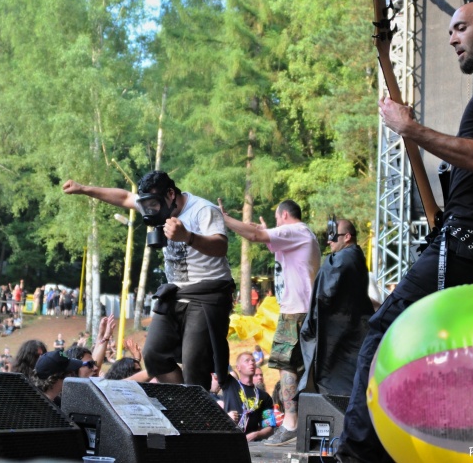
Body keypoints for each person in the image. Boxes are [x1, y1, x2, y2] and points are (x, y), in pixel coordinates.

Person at [336, 1, 473, 463]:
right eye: (450, 30)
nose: (452, 37)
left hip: (472, 243)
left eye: (460, 28)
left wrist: (412, 127)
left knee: (384, 332)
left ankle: (356, 456)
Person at [63, 171, 234, 390]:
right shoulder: (152, 202)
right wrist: (83, 189)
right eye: (147, 205)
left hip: (207, 293)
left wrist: (188, 237)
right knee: (153, 355)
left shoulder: (203, 210)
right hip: (176, 293)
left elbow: (221, 246)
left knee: (194, 363)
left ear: (170, 194)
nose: (151, 209)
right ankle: (187, 400)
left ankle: (195, 403)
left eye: (154, 204)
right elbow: (125, 197)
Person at [218, 199, 321, 446]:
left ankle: (291, 424)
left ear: (284, 215)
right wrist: (266, 234)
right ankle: (304, 423)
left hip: (295, 312)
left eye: (276, 220)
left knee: (286, 366)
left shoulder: (296, 230)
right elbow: (266, 239)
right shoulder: (301, 236)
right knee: (302, 370)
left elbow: (254, 235)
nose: (275, 226)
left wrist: (225, 219)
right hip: (302, 311)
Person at [299, 219, 371, 397]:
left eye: (333, 236)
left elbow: (325, 294)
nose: (329, 241)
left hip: (341, 338)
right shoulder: (354, 257)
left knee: (336, 386)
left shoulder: (344, 259)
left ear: (347, 237)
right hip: (347, 334)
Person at [220, 352, 275, 442]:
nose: (251, 363)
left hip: (251, 444)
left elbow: (269, 428)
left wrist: (256, 434)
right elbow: (219, 362)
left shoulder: (264, 396)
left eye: (253, 361)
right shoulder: (229, 384)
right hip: (228, 441)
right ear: (238, 367)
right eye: (247, 361)